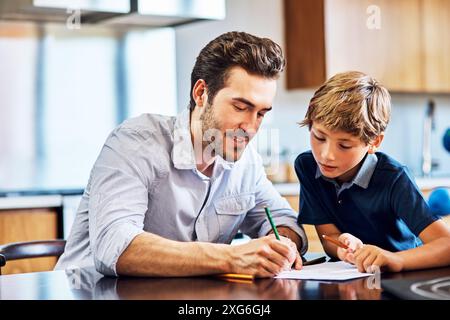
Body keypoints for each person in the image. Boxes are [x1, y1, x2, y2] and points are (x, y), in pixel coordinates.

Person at [55, 31, 307, 277]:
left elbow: (284, 220)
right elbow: (114, 245)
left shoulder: (246, 163)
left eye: (261, 114)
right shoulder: (135, 143)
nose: (251, 128)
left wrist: (280, 244)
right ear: (201, 93)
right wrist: (231, 257)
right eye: (241, 107)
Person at [295, 71, 450, 273]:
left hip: (401, 278)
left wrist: (395, 259)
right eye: (319, 137)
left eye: (344, 145)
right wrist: (343, 246)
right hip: (354, 278)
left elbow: (446, 245)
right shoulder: (307, 167)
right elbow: (329, 236)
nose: (326, 155)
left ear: (374, 142)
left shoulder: (394, 178)